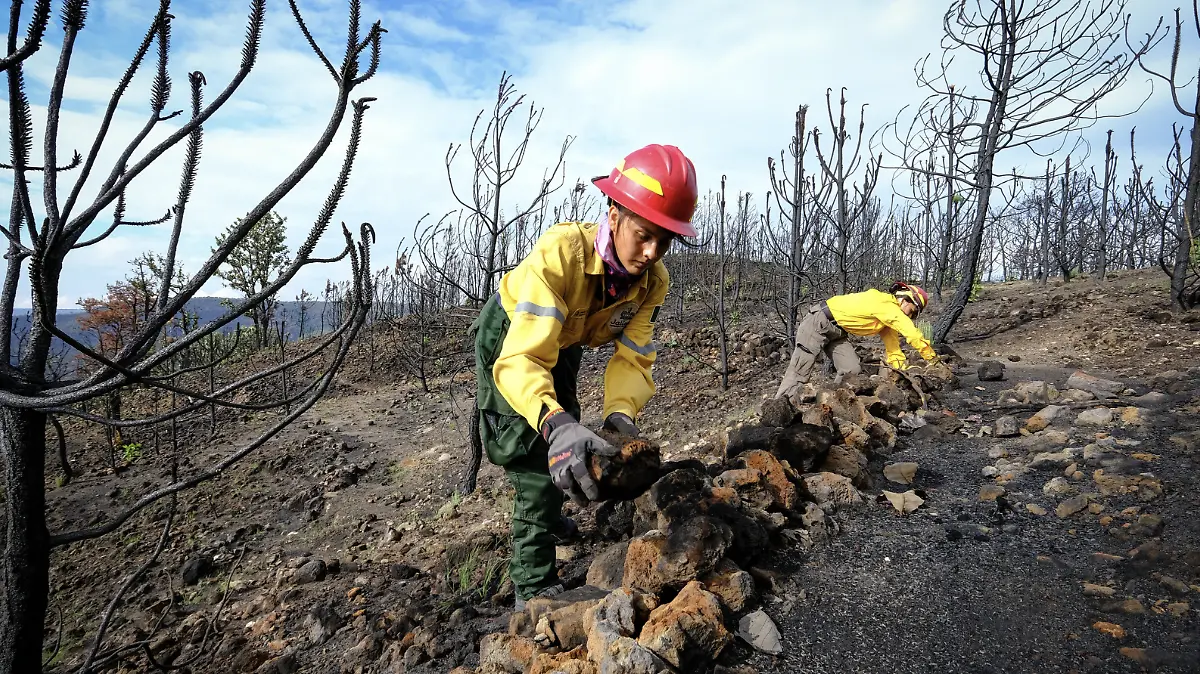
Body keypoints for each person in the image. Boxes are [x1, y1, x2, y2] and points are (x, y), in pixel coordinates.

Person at [472, 143, 697, 610]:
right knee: (534, 449)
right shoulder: (562, 254)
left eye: (664, 241)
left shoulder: (652, 282)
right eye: (643, 235)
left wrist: (620, 417)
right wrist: (552, 424)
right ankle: (533, 584)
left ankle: (550, 512)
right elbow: (524, 358)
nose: (652, 253)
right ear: (614, 215)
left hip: (565, 338)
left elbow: (633, 357)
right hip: (514, 335)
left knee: (570, 427)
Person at [775, 282, 940, 399]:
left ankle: (833, 401)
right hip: (819, 321)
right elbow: (913, 334)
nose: (910, 316)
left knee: (851, 370)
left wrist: (902, 371)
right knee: (800, 370)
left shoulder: (887, 319)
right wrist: (933, 360)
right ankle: (779, 410)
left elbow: (893, 349)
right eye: (912, 311)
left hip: (838, 332)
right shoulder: (886, 305)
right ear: (905, 299)